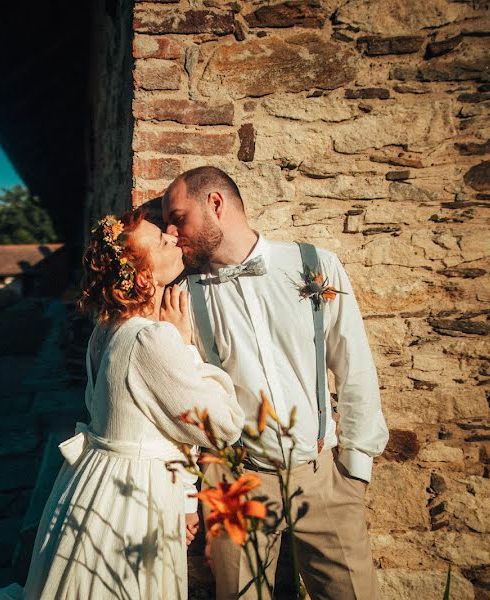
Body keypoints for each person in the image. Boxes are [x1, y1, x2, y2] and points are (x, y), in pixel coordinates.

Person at [0, 208, 244, 600]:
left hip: (93, 484)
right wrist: (185, 345)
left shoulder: (105, 330)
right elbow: (223, 425)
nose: (173, 237)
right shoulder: (152, 339)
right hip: (131, 500)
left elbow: (157, 425)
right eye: (161, 240)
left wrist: (187, 497)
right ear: (142, 277)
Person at [162, 166, 389, 600]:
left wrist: (355, 469)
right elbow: (186, 403)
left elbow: (354, 363)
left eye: (179, 217)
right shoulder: (184, 296)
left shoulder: (314, 265)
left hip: (324, 476)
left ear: (215, 204)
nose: (172, 232)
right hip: (237, 482)